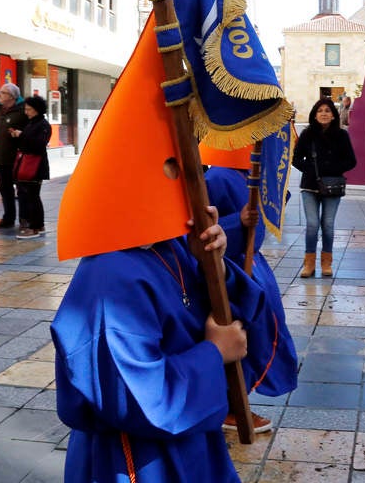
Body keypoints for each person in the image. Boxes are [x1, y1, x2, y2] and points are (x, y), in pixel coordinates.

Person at [51, 206, 277, 483]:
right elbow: (135, 397)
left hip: (194, 435)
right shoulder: (108, 274)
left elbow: (247, 318)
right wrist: (214, 353)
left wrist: (213, 267)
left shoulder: (173, 244)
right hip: (139, 458)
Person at [204, 163, 298, 434]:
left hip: (252, 265)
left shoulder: (252, 173)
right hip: (231, 265)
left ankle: (239, 398)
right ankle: (231, 404)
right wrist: (237, 221)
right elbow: (200, 226)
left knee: (260, 330)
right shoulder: (217, 176)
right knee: (240, 332)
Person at [292, 98, 357, 277]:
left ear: (334, 115)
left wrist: (331, 170)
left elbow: (351, 161)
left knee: (327, 225)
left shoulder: (342, 135)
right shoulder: (307, 134)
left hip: (331, 186)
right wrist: (310, 169)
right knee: (312, 224)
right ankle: (309, 264)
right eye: (320, 111)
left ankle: (326, 263)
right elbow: (295, 158)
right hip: (310, 186)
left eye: (327, 111)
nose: (323, 114)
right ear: (315, 114)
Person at [9, 95, 50, 239]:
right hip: (28, 163)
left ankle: (34, 228)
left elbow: (39, 144)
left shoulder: (43, 125)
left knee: (32, 197)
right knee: (31, 196)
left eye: (29, 109)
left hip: (35, 165)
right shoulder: (32, 123)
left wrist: (22, 135)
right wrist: (18, 135)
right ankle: (39, 225)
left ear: (37, 110)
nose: (26, 112)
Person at [0, 83, 28, 229]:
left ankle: (25, 219)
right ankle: (8, 218)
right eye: (0, 92)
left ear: (12, 96)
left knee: (22, 190)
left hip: (19, 158)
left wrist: (20, 135)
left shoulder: (23, 110)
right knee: (5, 189)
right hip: (1, 157)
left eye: (3, 93)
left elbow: (32, 130)